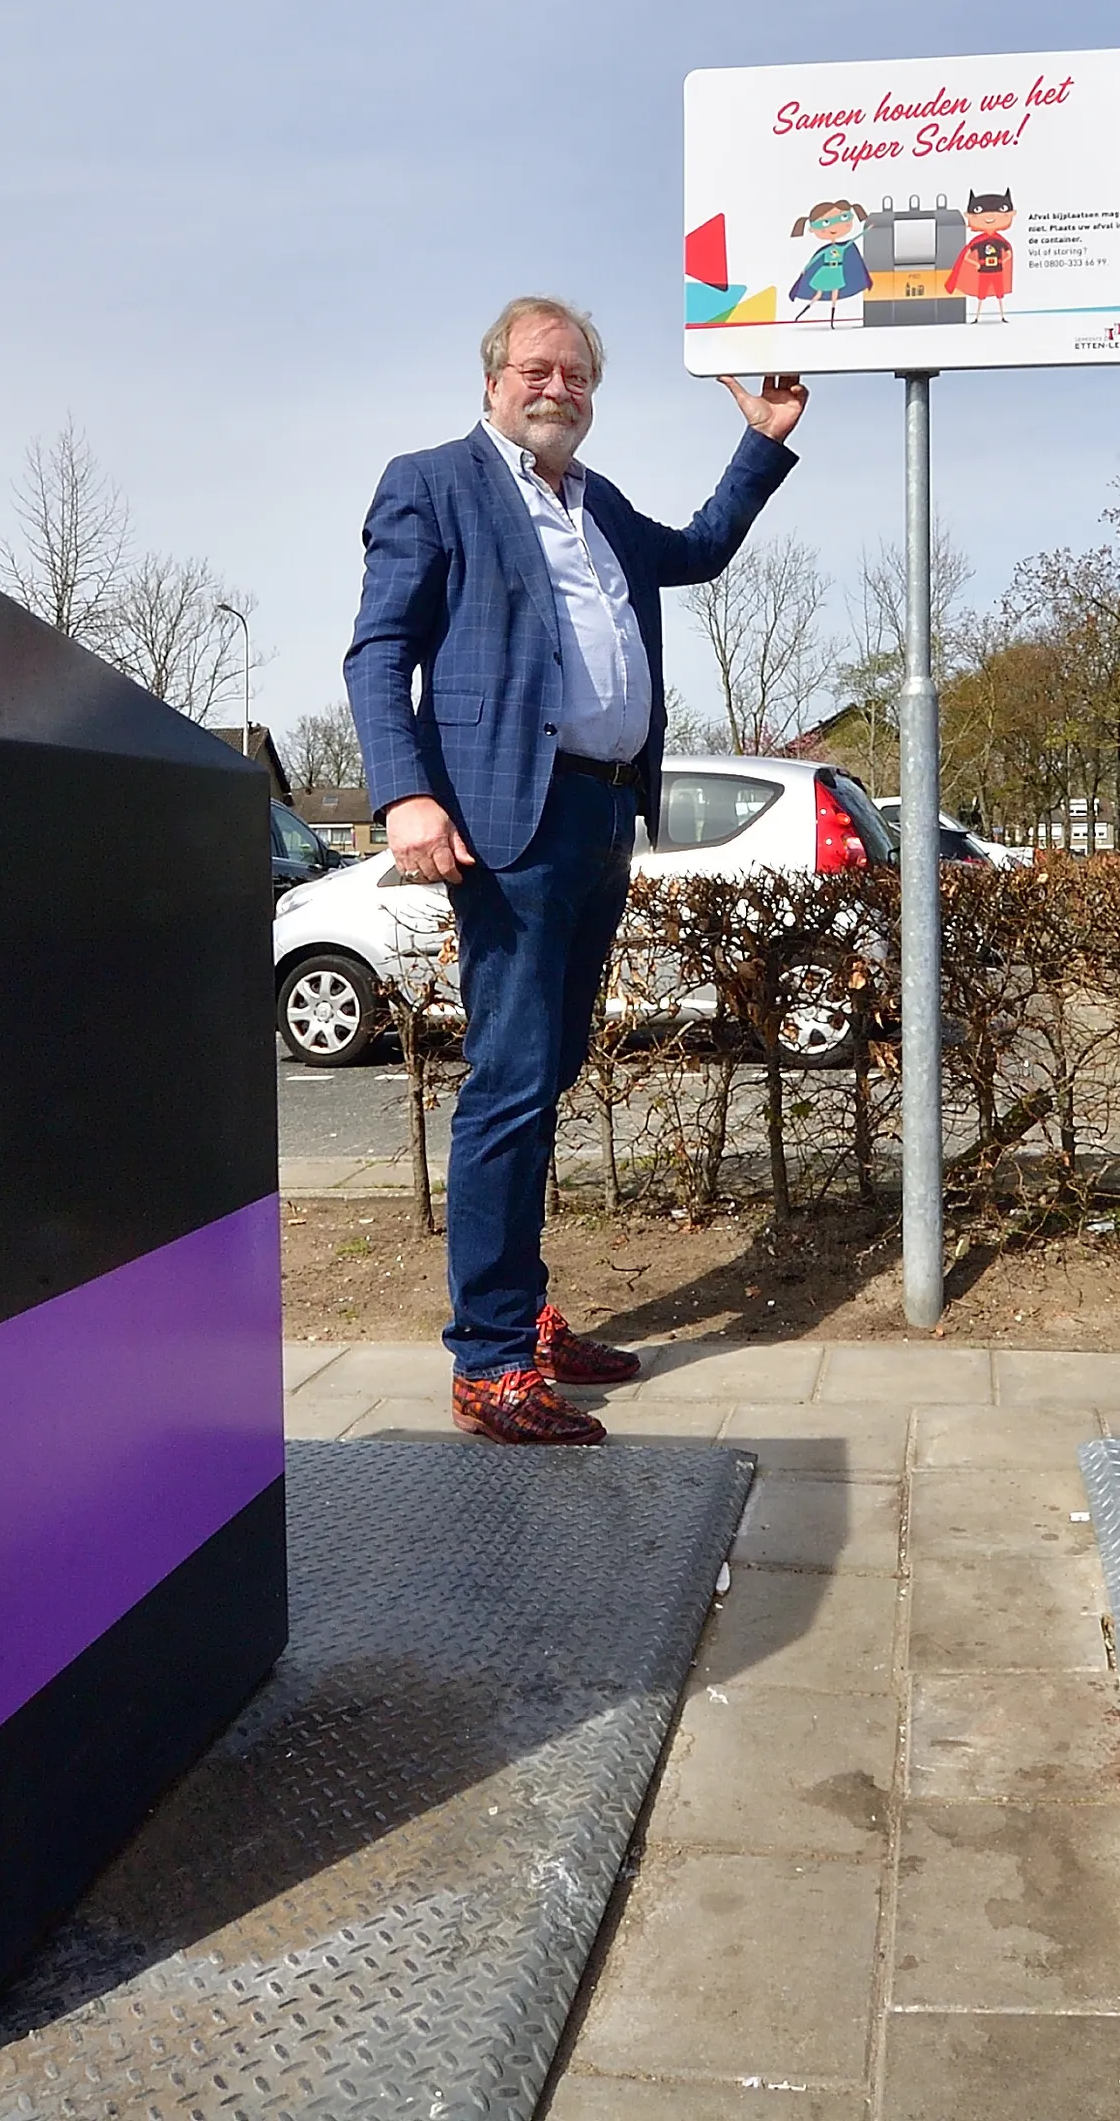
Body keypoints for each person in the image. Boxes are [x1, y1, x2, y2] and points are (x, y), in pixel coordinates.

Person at [345, 297, 808, 1443]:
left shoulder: (596, 507)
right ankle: (489, 1361)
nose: (558, 388)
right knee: (507, 1081)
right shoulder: (433, 483)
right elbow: (378, 651)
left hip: (606, 816)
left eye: (578, 375)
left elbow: (698, 551)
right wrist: (406, 793)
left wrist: (766, 437)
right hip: (512, 822)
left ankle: (522, 1313)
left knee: (543, 1074)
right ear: (494, 377)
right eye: (537, 369)